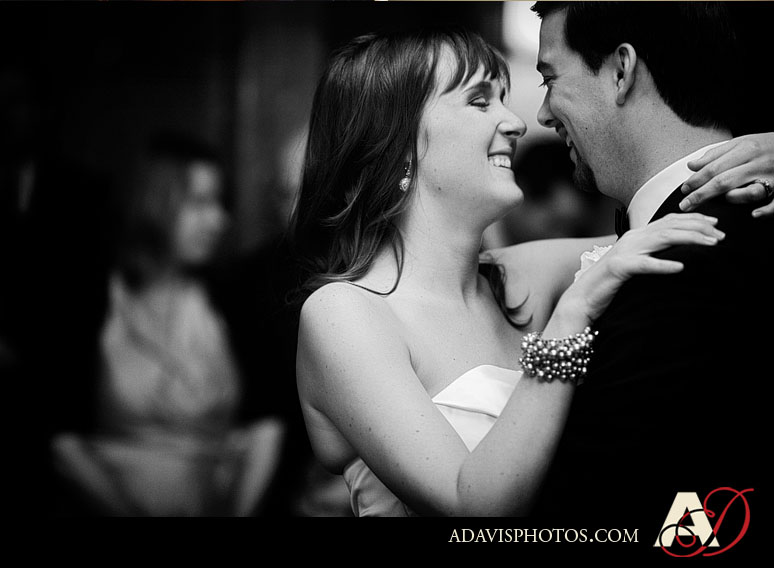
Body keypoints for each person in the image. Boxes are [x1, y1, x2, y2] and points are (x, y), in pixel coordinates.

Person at [291, 27, 774, 517]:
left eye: (504, 98)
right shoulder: (344, 314)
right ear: (397, 146)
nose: (517, 122)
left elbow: (676, 221)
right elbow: (470, 506)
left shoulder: (520, 280)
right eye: (480, 101)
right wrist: (571, 316)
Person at [529, 1, 773, 523]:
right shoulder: (723, 229)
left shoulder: (688, 267)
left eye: (550, 79)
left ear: (621, 70)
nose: (542, 115)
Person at [50, 133, 285, 516]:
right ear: (156, 204)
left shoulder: (232, 298)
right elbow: (62, 436)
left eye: (220, 204)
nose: (219, 220)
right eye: (199, 203)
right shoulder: (92, 298)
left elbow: (265, 421)